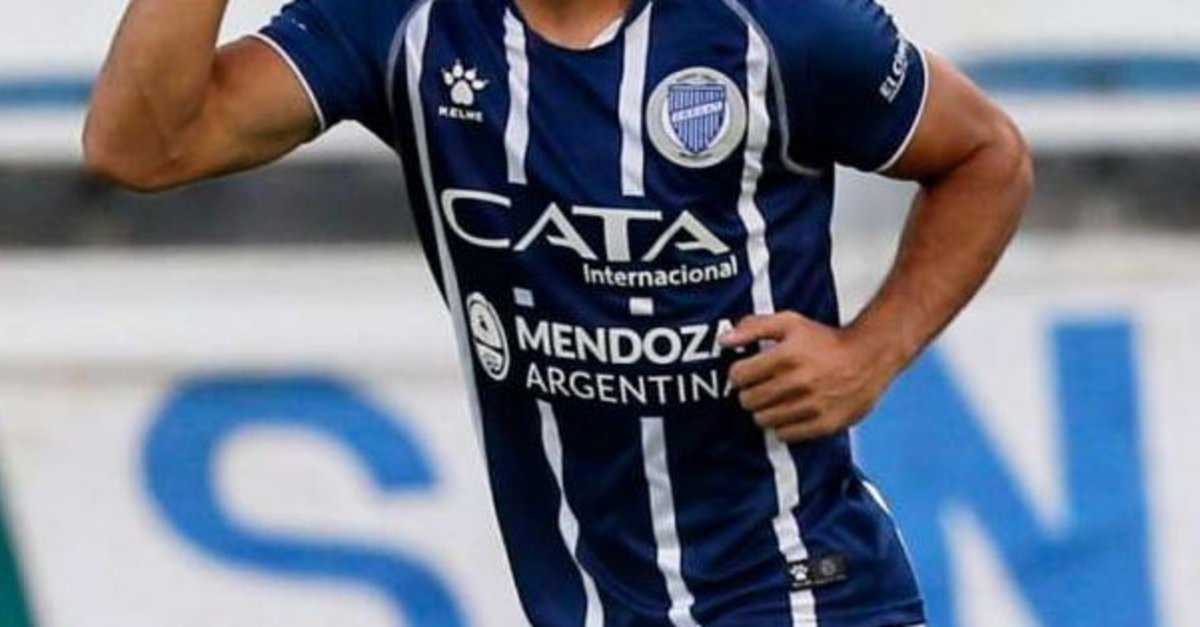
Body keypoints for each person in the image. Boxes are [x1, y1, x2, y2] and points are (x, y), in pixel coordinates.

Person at [84, 0, 1031, 622]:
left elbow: (985, 153)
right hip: (585, 602)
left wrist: (871, 352)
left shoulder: (779, 26)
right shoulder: (403, 21)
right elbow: (144, 145)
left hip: (800, 594)